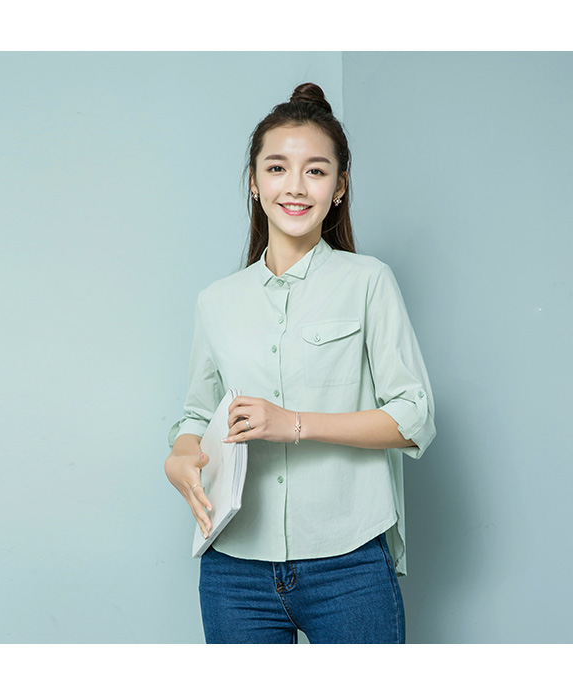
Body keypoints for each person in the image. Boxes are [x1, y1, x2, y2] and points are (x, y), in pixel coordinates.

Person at [165, 83, 435, 644]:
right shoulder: (216, 301)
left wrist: (292, 423)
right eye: (276, 168)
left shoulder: (368, 282)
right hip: (233, 567)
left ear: (339, 187)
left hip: (349, 563)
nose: (295, 186)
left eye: (315, 171)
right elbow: (195, 414)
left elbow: (414, 415)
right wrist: (180, 457)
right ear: (254, 181)